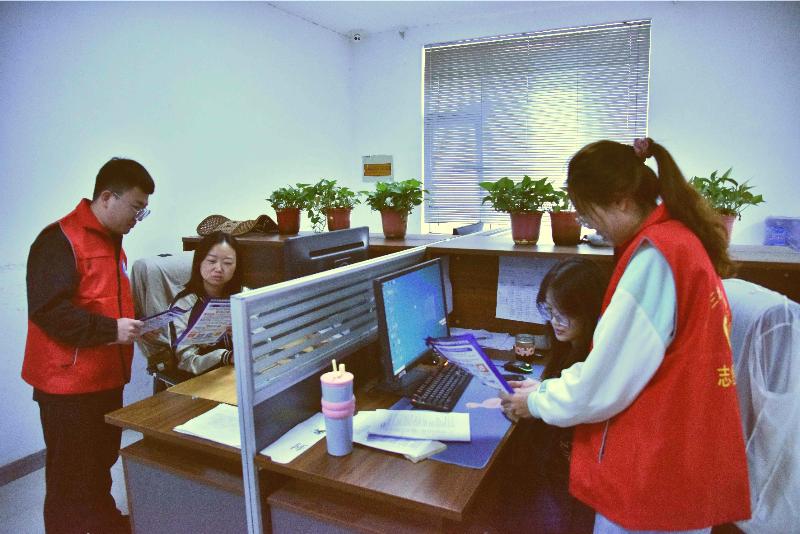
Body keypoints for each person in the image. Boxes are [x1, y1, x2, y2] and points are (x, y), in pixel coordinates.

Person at [500, 138, 751, 533]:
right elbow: (615, 368)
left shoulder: (655, 258)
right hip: (682, 450)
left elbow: (604, 382)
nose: (589, 226)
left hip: (656, 468)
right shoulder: (678, 241)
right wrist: (545, 391)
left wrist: (536, 401)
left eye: (588, 214)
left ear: (620, 200)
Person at [22, 157, 155, 534]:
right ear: (108, 197)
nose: (138, 218)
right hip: (67, 388)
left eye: (143, 211)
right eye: (136, 208)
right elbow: (49, 311)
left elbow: (105, 303)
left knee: (99, 465)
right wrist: (112, 330)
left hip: (106, 378)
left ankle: (104, 523)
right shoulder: (59, 239)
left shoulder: (114, 243)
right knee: (69, 478)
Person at [520, 257, 607, 534]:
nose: (554, 321)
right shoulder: (568, 347)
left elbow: (573, 405)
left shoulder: (595, 360)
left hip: (572, 477)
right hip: (555, 468)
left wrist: (536, 400)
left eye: (564, 313)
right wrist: (540, 389)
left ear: (588, 312)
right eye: (549, 309)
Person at [168, 230, 243, 375]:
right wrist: (224, 356)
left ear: (236, 267)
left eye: (227, 263)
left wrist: (241, 334)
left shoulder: (243, 297)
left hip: (238, 374)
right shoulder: (183, 305)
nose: (219, 269)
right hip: (201, 380)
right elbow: (185, 361)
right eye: (212, 261)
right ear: (199, 262)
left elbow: (263, 343)